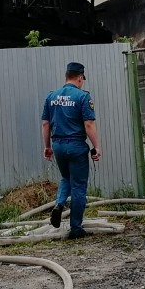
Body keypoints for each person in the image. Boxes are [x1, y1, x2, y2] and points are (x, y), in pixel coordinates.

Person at [41, 61, 101, 239]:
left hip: (58, 145)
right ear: (80, 78)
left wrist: (47, 147)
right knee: (79, 186)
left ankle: (59, 204)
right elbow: (88, 124)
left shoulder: (51, 96)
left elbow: (45, 124)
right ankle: (76, 227)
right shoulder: (83, 97)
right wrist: (96, 146)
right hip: (76, 145)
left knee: (66, 177)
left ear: (66, 76)